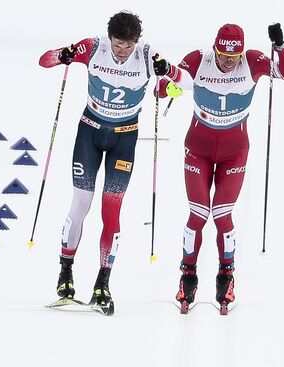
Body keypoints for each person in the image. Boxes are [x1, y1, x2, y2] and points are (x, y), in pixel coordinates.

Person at [38, 11, 180, 312]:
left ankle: (103, 283)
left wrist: (166, 73)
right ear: (109, 37)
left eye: (128, 46)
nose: (122, 51)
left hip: (124, 139)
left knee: (111, 210)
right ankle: (66, 272)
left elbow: (178, 81)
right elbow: (45, 60)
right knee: (81, 203)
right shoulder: (93, 47)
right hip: (89, 134)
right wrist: (62, 55)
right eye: (117, 44)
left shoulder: (146, 55)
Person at [157, 23, 284, 311]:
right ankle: (187, 276)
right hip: (198, 148)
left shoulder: (254, 61)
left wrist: (280, 46)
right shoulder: (199, 58)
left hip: (235, 151)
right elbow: (164, 87)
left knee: (222, 215)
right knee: (198, 215)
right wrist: (169, 82)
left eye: (234, 57)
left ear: (242, 52)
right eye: (223, 55)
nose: (228, 62)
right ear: (215, 48)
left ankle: (226, 275)